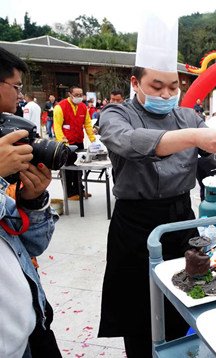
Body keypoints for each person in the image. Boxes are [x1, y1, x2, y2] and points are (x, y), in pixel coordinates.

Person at [97, 14, 216, 357]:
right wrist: (194, 136)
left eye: (173, 87)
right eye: (156, 86)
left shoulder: (187, 116)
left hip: (180, 219)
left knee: (184, 300)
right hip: (135, 225)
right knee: (139, 311)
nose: (166, 93)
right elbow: (129, 142)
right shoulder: (115, 115)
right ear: (135, 82)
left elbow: (205, 165)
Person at [0, 46, 61, 358]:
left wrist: (33, 201)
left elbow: (33, 246)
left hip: (29, 333)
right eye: (16, 87)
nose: (19, 99)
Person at [53, 85, 96, 200]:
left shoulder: (83, 107)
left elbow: (87, 124)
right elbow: (57, 126)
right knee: (68, 169)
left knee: (79, 168)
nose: (79, 97)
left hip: (79, 142)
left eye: (80, 95)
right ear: (70, 95)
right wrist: (63, 142)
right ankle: (69, 193)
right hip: (66, 144)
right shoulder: (60, 107)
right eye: (76, 95)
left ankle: (79, 190)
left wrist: (93, 140)